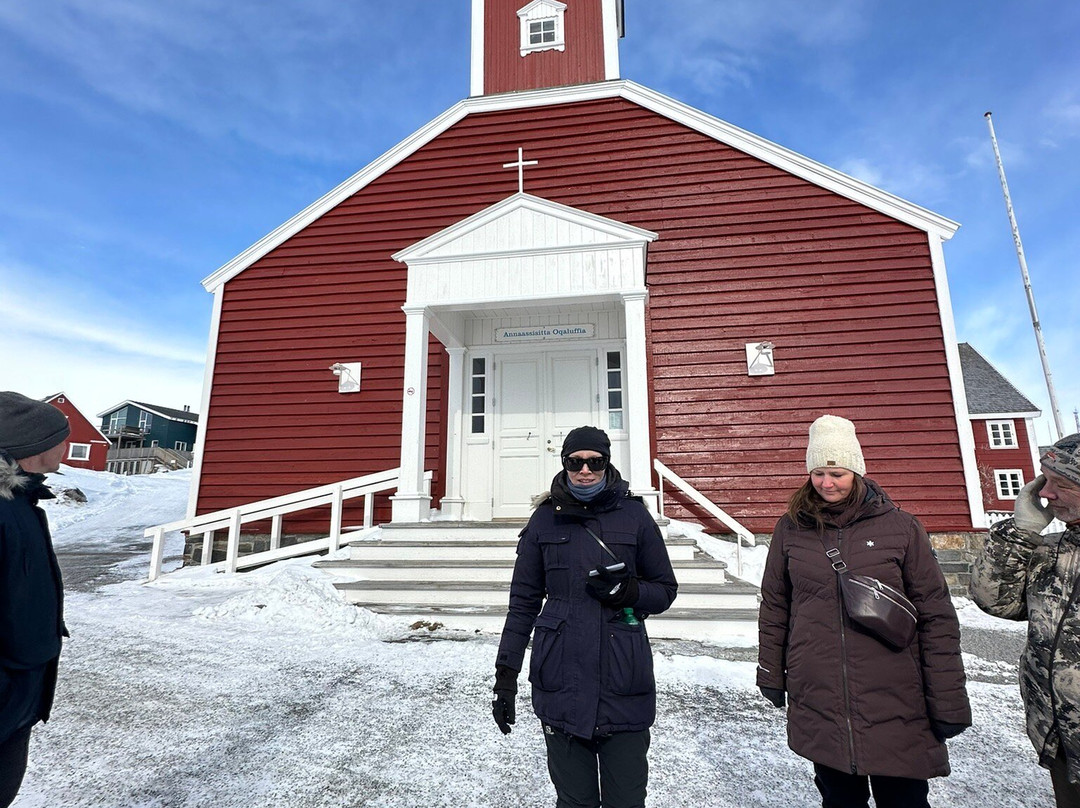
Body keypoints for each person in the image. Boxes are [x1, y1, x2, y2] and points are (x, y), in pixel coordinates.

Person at [757, 414, 970, 808]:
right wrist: (771, 671)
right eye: (818, 472)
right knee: (839, 801)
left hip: (895, 696)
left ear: (855, 470)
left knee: (903, 801)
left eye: (836, 472)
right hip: (820, 695)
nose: (826, 483)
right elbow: (775, 605)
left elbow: (936, 615)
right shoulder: (791, 529)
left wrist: (949, 701)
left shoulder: (902, 527)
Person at [491, 426, 677, 808]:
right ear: (565, 463)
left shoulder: (635, 517)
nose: (585, 470)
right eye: (576, 462)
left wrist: (630, 592)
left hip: (623, 681)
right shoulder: (544, 521)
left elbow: (665, 589)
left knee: (626, 801)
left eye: (595, 461)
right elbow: (523, 603)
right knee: (574, 801)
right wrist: (505, 677)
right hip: (561, 680)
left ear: (607, 463)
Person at [971, 433, 1080, 808]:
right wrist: (1020, 532)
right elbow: (996, 602)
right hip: (1062, 739)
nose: (1045, 493)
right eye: (1044, 480)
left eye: (1061, 484)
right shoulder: (1051, 552)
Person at [0, 392, 71, 807]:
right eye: (61, 437)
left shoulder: (22, 502)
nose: (65, 445)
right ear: (34, 446)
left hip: (20, 691)